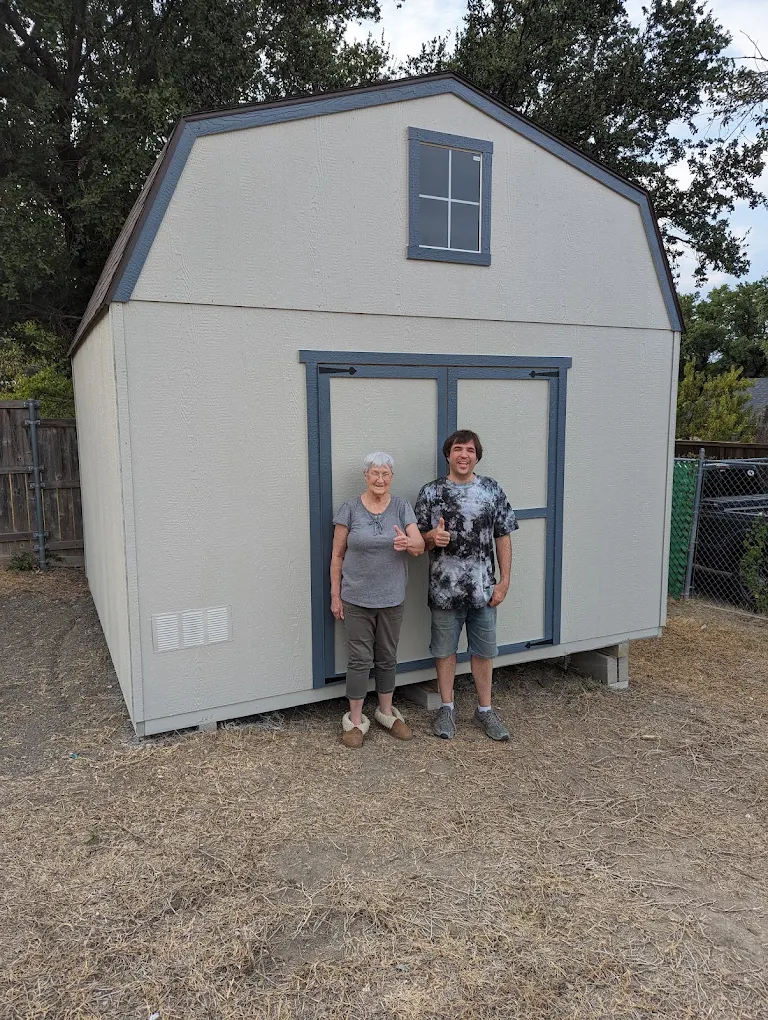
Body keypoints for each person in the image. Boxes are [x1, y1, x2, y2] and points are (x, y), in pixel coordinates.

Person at [414, 430, 518, 741]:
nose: (464, 455)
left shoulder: (491, 490)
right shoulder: (431, 492)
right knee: (444, 651)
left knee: (484, 652)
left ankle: (484, 710)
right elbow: (416, 542)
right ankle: (446, 708)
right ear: (448, 455)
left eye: (470, 450)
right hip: (444, 591)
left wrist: (504, 581)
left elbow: (503, 536)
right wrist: (432, 537)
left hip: (483, 591)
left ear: (477, 456)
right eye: (458, 449)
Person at [331, 452, 425, 748]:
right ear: (366, 476)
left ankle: (386, 712)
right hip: (356, 598)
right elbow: (337, 555)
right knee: (359, 659)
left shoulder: (401, 507)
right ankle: (355, 720)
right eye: (375, 473)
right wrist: (335, 594)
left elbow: (419, 544)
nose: (380, 479)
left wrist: (410, 542)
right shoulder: (349, 509)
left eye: (385, 474)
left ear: (391, 478)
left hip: (391, 598)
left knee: (387, 656)